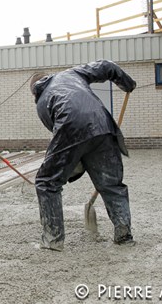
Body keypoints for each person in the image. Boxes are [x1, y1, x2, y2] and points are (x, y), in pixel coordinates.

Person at [29, 59, 137, 251]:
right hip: (102, 125)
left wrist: (71, 169)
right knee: (111, 184)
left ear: (34, 91)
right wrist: (126, 83)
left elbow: (65, 147)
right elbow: (106, 66)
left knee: (47, 182)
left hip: (70, 127)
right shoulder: (71, 74)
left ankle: (53, 240)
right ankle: (123, 235)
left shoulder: (41, 103)